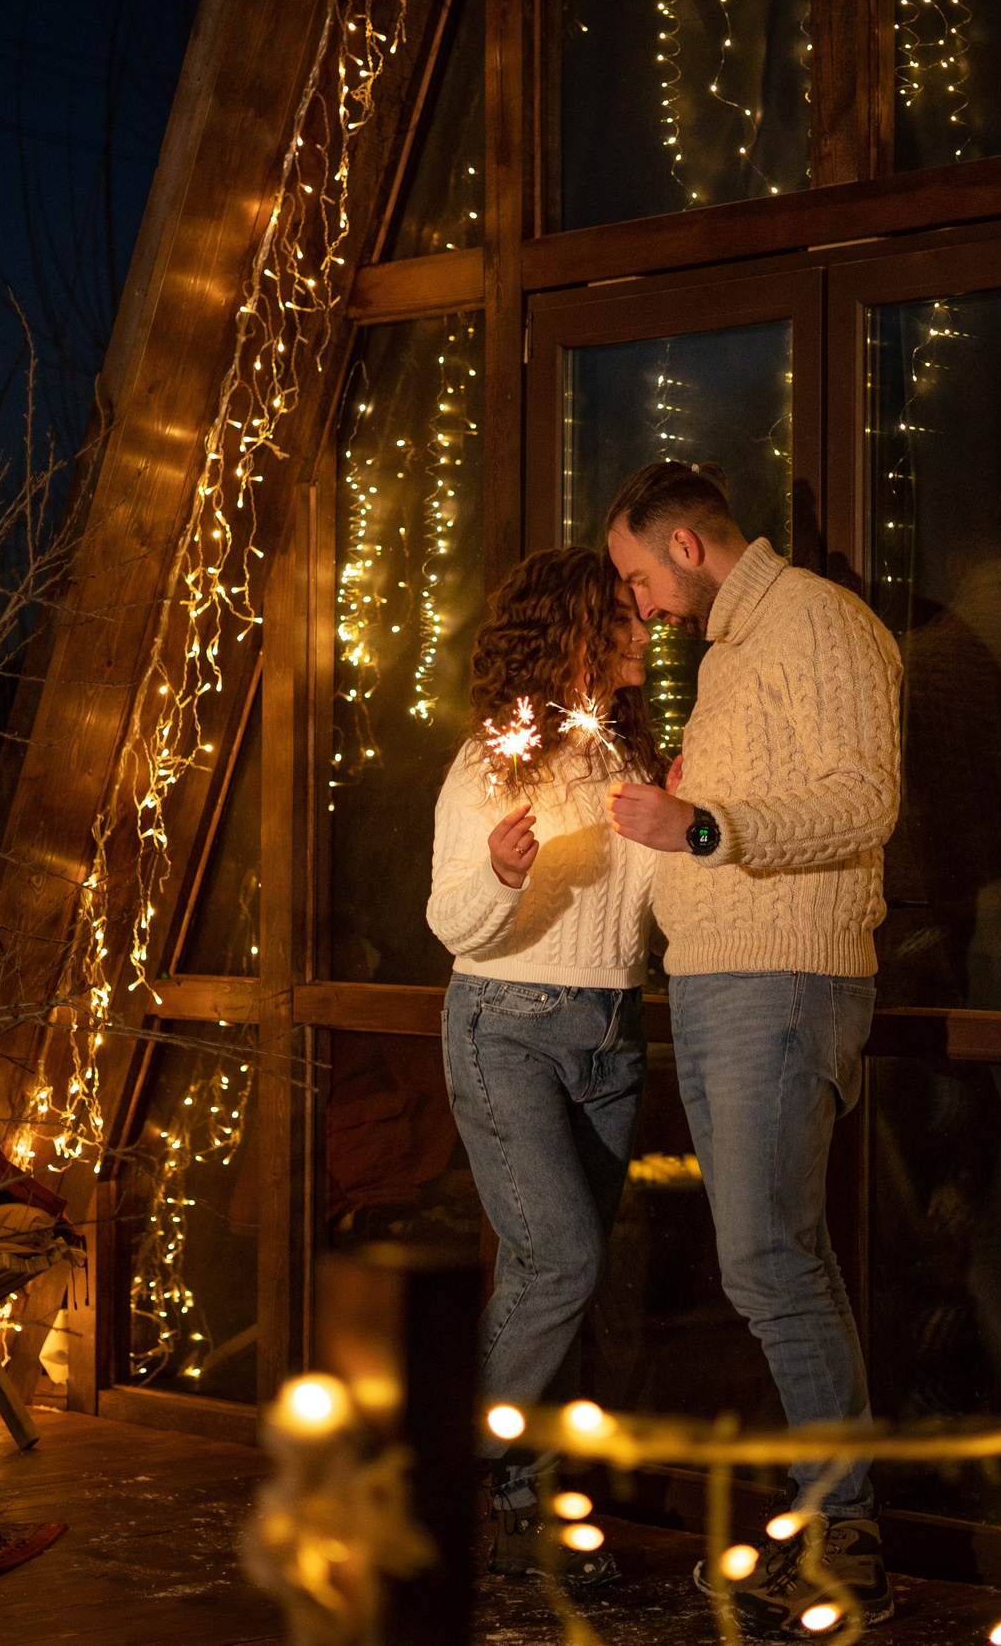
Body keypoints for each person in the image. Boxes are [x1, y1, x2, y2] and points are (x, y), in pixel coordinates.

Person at [602, 461, 903, 1634]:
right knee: (772, 1264)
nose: (637, 607)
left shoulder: (816, 623)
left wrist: (708, 822)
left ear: (683, 546)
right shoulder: (731, 652)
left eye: (635, 577)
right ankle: (832, 1528)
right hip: (731, 982)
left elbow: (863, 801)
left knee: (771, 1264)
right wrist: (686, 813)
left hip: (784, 983)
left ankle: (847, 1540)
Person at [424, 546, 660, 1588]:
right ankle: (430, 1465)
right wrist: (499, 871)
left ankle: (529, 1518)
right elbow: (449, 923)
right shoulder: (495, 756)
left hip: (613, 1032)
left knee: (547, 1280)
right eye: (625, 617)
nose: (647, 631)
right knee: (562, 1259)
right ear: (574, 630)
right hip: (507, 1023)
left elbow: (653, 907)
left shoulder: (630, 756)